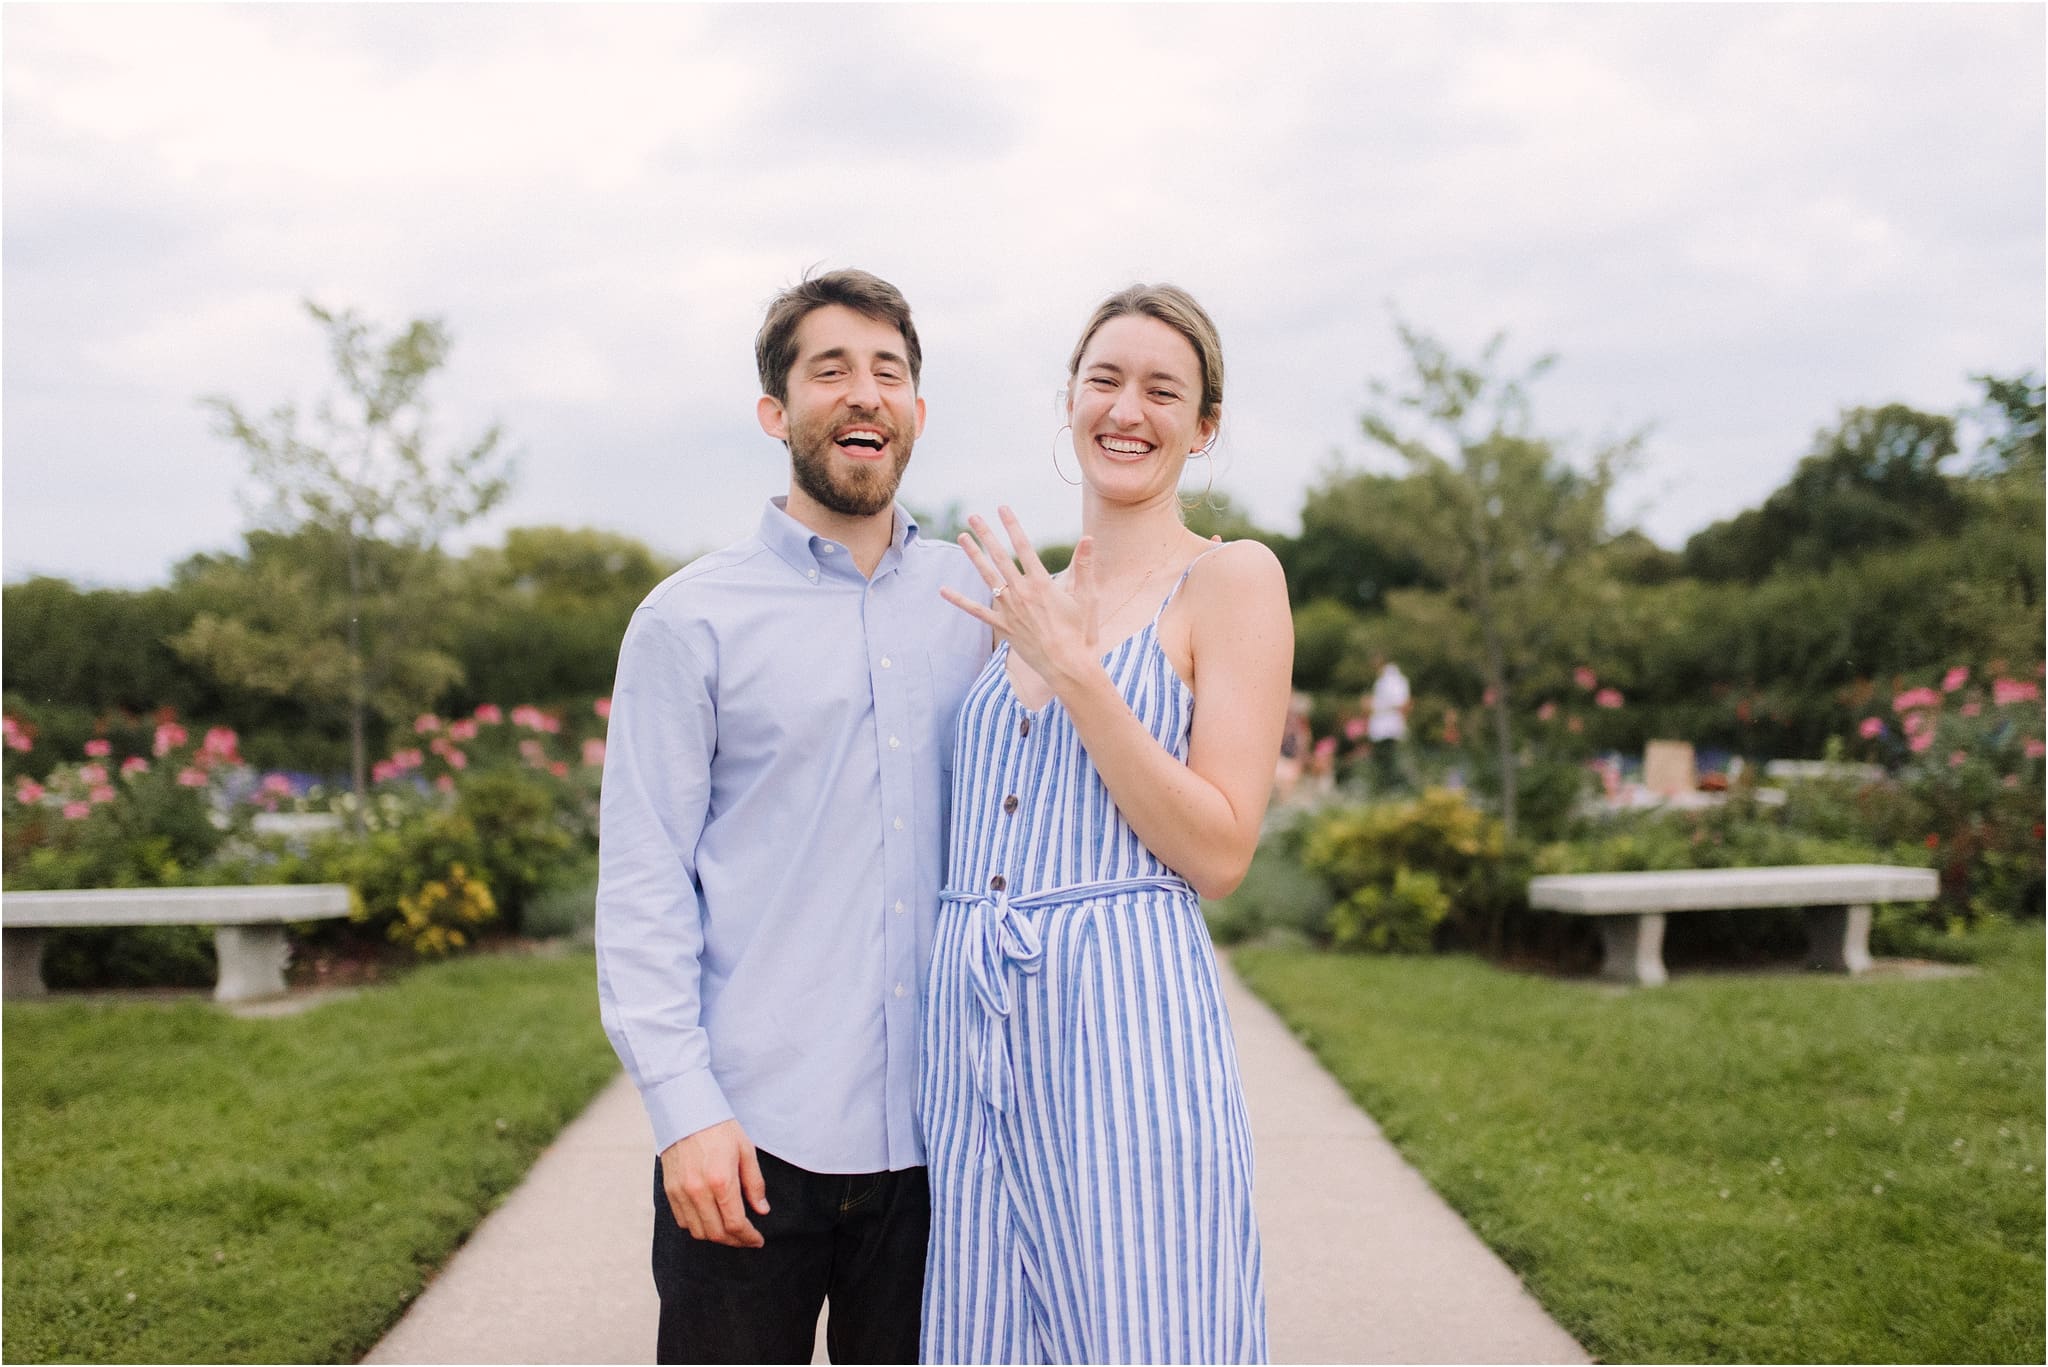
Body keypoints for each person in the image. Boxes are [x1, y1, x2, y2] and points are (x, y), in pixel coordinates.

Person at [595, 269, 990, 1364]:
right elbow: (641, 883)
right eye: (831, 370)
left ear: (914, 410)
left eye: (888, 372)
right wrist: (683, 1111)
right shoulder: (688, 623)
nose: (863, 394)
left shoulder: (982, 609)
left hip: (937, 1156)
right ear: (777, 413)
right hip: (747, 1144)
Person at [921, 284, 1290, 1364]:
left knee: (1144, 1324)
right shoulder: (1017, 594)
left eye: (1161, 390)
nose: (1126, 409)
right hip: (971, 1029)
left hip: (1121, 1016)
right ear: (1069, 401)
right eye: (1104, 379)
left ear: (1202, 427)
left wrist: (1079, 674)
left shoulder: (1230, 579)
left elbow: (1219, 850)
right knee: (980, 1332)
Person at [1365, 653, 1412, 794]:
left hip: (1389, 728)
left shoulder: (1394, 681)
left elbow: (1402, 704)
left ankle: (1395, 790)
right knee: (1383, 762)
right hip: (1382, 728)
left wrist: (1375, 706)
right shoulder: (1382, 681)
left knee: (1390, 763)